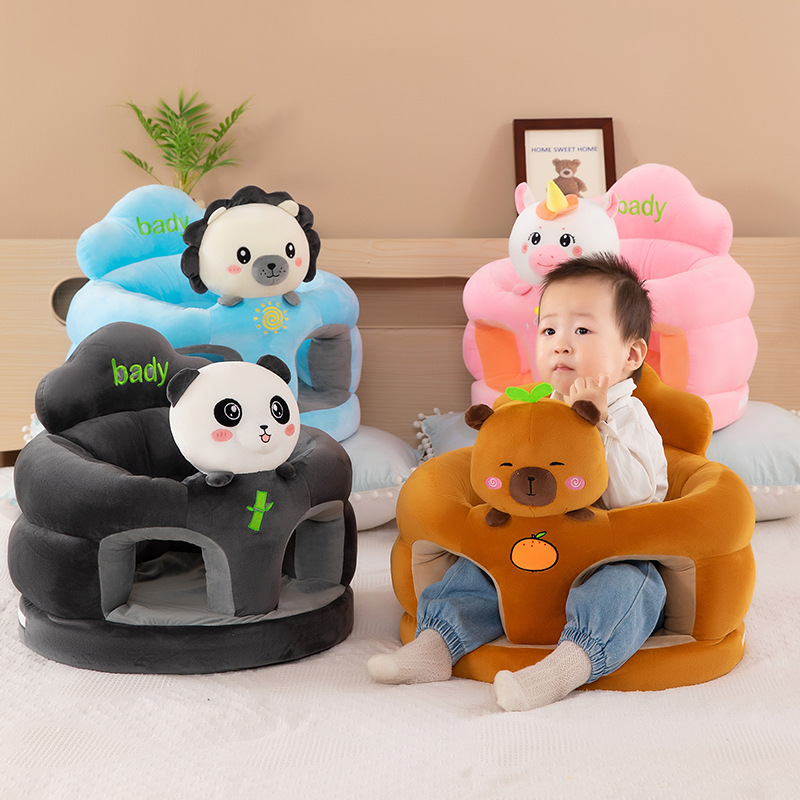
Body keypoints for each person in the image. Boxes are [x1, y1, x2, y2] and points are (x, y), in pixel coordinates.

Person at [367, 253, 669, 711]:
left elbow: (636, 497)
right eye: (548, 331)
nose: (560, 345)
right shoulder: (537, 411)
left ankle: (567, 666)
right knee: (474, 570)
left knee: (634, 586)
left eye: (582, 330)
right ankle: (437, 644)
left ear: (631, 354)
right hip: (535, 547)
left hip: (606, 554)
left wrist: (599, 424)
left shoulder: (629, 416)